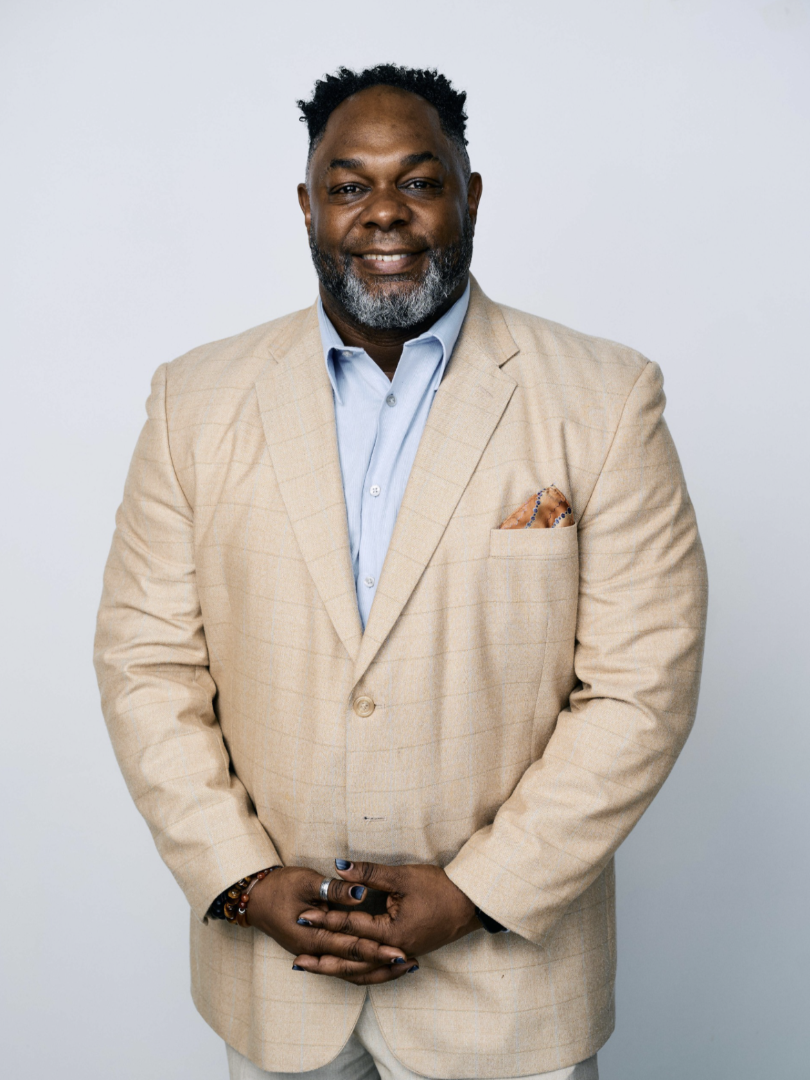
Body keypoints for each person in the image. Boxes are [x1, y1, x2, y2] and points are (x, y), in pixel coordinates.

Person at [94, 64, 708, 1080]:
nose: (384, 213)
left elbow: (644, 689)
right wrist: (245, 882)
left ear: (471, 194)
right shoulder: (192, 402)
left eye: (420, 181)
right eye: (348, 185)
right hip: (278, 985)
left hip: (509, 995)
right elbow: (145, 664)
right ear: (307, 206)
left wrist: (476, 895)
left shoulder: (604, 399)